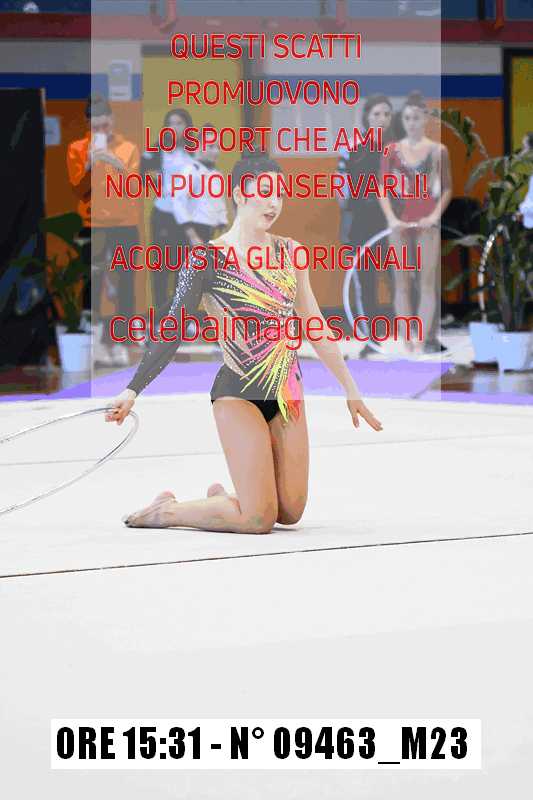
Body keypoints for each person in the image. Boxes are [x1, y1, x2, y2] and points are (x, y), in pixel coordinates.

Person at [105, 155, 383, 534]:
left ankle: (225, 499)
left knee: (290, 511)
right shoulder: (206, 259)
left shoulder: (291, 252)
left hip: (286, 391)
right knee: (258, 520)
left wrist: (351, 389)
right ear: (240, 194)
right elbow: (173, 328)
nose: (274, 203)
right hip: (238, 392)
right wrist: (132, 389)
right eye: (265, 192)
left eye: (279, 194)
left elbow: (315, 324)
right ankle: (166, 511)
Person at [67, 94, 140, 367]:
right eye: (95, 126)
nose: (100, 130)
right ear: (88, 124)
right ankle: (95, 344)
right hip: (92, 223)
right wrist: (88, 165)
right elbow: (78, 189)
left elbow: (134, 187)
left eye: (105, 125)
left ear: (112, 120)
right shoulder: (77, 148)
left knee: (125, 283)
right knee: (92, 282)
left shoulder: (128, 147)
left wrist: (115, 163)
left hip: (125, 223)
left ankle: (119, 342)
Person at [379, 91, 452, 355]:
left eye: (417, 118)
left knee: (426, 283)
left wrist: (433, 217)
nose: (412, 123)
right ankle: (406, 340)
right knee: (401, 283)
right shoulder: (391, 151)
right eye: (408, 118)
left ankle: (421, 340)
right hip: (399, 222)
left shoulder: (438, 151)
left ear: (425, 120)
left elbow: (447, 188)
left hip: (426, 223)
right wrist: (391, 218)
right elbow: (382, 188)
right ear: (403, 120)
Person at [337, 94, 394, 356]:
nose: (382, 119)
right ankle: (371, 339)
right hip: (361, 224)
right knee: (366, 281)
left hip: (391, 223)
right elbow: (341, 188)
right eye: (376, 114)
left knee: (399, 278)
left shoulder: (397, 149)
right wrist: (352, 205)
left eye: (386, 114)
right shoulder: (351, 147)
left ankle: (416, 336)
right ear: (366, 117)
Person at [142, 108, 196, 317]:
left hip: (188, 219)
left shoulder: (195, 150)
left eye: (179, 123)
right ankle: (161, 317)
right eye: (171, 123)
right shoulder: (158, 149)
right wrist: (152, 178)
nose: (175, 127)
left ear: (187, 126)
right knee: (161, 267)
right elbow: (140, 170)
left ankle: (180, 317)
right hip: (164, 215)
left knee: (185, 269)